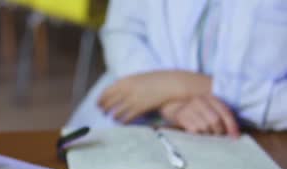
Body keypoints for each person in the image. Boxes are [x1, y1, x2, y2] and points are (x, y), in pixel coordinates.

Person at [67, 0, 287, 136]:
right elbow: (121, 31)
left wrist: (188, 85)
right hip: (132, 116)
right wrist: (172, 104)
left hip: (252, 139)